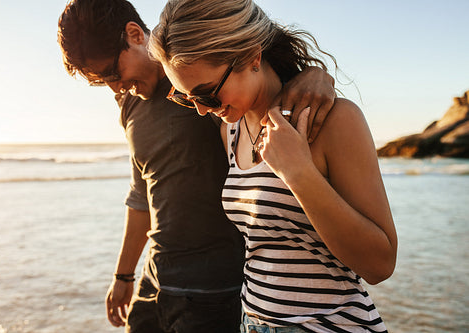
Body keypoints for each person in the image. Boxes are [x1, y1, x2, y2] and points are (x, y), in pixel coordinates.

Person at [57, 0, 336, 332]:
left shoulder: (210, 91)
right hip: (156, 280)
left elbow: (258, 74)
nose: (115, 87)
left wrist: (315, 74)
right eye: (103, 82)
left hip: (216, 293)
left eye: (113, 74)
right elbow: (142, 193)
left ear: (134, 34)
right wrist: (123, 274)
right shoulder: (129, 104)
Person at [148, 0, 398, 332]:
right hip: (253, 322)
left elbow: (380, 264)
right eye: (185, 97)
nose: (201, 111)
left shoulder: (334, 121)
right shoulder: (231, 129)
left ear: (252, 56)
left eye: (206, 94)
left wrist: (299, 174)